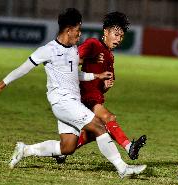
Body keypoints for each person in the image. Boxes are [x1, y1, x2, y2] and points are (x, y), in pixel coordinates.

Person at [0, 8, 146, 178]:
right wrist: (2, 85)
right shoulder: (48, 50)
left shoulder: (72, 50)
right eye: (78, 30)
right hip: (62, 101)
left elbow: (74, 74)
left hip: (73, 102)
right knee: (100, 127)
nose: (80, 34)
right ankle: (123, 169)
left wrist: (97, 75)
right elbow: (23, 68)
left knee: (67, 147)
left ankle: (25, 150)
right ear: (69, 30)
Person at [55, 12, 146, 164]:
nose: (118, 39)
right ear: (106, 32)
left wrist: (105, 86)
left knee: (95, 132)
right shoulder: (93, 44)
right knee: (108, 118)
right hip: (82, 97)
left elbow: (102, 85)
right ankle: (129, 147)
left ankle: (62, 152)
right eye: (116, 34)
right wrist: (89, 58)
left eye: (121, 36)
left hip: (92, 98)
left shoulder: (110, 57)